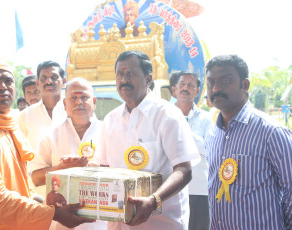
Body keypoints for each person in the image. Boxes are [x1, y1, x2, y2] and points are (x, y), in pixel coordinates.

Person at [0, 58, 94, 230]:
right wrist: (54, 214)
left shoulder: (7, 127)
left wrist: (49, 207)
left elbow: (22, 186)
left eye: (8, 81)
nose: (2, 86)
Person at [96, 51, 199, 229]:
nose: (124, 79)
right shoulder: (110, 119)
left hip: (162, 222)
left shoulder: (167, 115)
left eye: (131, 74)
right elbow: (104, 168)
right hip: (119, 223)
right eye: (119, 74)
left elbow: (184, 169)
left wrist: (153, 201)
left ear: (148, 78)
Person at [205, 55, 292, 230]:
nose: (215, 88)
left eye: (225, 80)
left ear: (245, 85)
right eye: (210, 82)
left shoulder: (271, 132)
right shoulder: (213, 134)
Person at [31, 77, 107, 230]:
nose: (79, 102)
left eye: (84, 97)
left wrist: (93, 167)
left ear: (94, 101)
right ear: (65, 104)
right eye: (73, 98)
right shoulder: (51, 135)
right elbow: (35, 178)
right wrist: (61, 168)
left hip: (102, 222)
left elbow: (122, 171)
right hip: (61, 223)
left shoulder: (108, 131)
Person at [170, 70, 213, 230]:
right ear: (174, 89)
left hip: (199, 189)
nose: (185, 88)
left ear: (197, 91)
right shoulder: (164, 115)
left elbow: (210, 148)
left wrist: (184, 130)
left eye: (190, 85)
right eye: (182, 84)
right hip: (169, 189)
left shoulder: (206, 118)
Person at [18, 61, 67, 152]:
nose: (48, 81)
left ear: (63, 81)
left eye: (54, 77)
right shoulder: (25, 115)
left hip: (72, 166)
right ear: (37, 83)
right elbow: (20, 150)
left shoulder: (75, 111)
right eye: (43, 78)